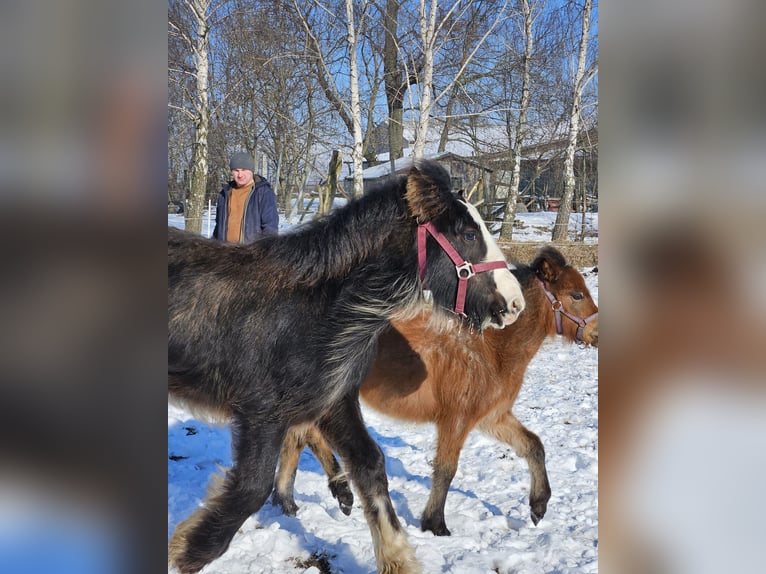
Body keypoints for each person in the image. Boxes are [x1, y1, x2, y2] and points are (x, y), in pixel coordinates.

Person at [212, 151, 279, 242]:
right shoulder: (225, 194)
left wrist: (263, 253)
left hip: (250, 253)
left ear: (251, 171)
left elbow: (270, 229)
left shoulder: (264, 193)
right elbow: (218, 227)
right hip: (225, 252)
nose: (240, 175)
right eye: (236, 170)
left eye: (244, 170)